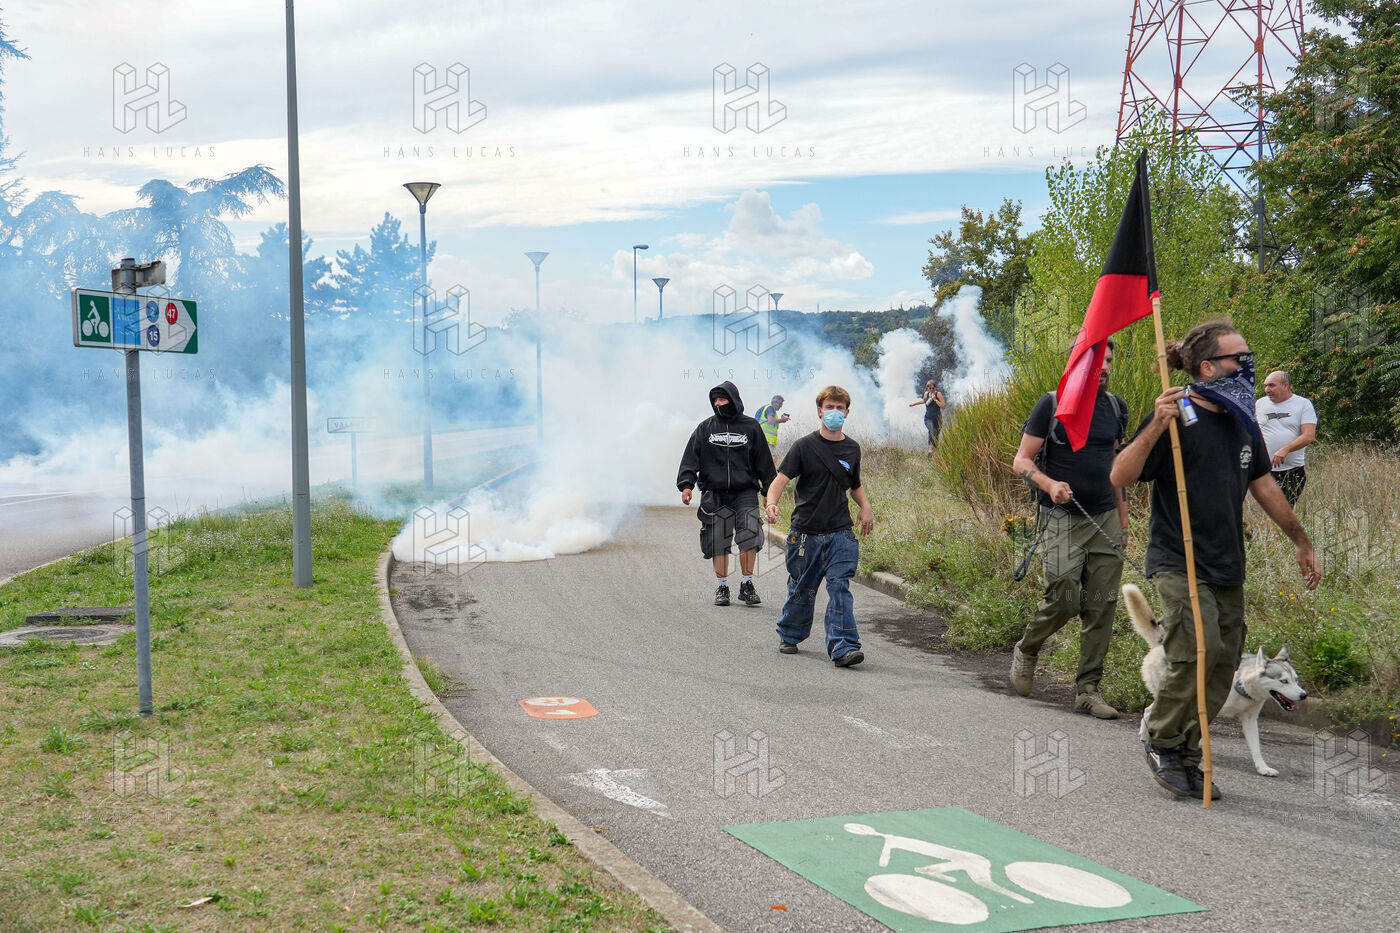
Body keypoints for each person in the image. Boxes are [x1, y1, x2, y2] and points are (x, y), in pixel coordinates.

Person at [1110, 321, 1320, 799]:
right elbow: (1120, 474)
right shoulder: (1175, 414)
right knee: (1196, 649)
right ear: (1208, 368)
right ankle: (1162, 739)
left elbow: (1263, 483)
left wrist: (1300, 539)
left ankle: (1188, 751)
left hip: (1228, 562)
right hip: (1178, 557)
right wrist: (1155, 424)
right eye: (1238, 358)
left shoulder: (1242, 419)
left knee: (1223, 664)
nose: (1248, 365)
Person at [1008, 339, 1129, 720]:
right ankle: (1028, 647)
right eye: (1096, 361)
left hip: (1105, 518)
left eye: (1109, 360)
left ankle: (1088, 690)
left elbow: (1118, 469)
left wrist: (1124, 522)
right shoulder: (1051, 403)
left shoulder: (1116, 407)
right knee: (1064, 596)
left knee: (1102, 603)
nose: (1104, 367)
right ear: (1076, 363)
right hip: (1061, 517)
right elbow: (1021, 461)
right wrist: (1049, 485)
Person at [763, 385, 874, 667]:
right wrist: (771, 503)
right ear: (819, 411)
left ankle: (844, 647)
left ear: (847, 412)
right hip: (805, 534)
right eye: (829, 407)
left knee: (840, 588)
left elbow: (854, 485)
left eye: (839, 408)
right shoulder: (804, 446)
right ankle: (790, 633)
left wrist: (865, 506)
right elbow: (780, 480)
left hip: (840, 533)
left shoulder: (852, 448)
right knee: (803, 589)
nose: (834, 412)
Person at [677, 381, 776, 607]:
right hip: (714, 493)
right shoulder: (705, 428)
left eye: (722, 399)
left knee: (750, 535)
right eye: (715, 400)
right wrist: (686, 485)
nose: (718, 403)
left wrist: (769, 493)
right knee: (718, 541)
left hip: (745, 492)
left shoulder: (751, 427)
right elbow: (690, 458)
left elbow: (764, 462)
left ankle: (747, 584)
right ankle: (722, 587)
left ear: (733, 400)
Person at [1255, 370, 1318, 507]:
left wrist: (1286, 449)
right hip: (1266, 470)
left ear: (1286, 386)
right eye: (1266, 386)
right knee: (1270, 511)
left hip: (1292, 470)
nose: (1267, 390)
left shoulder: (1303, 404)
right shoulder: (1260, 404)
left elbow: (1309, 436)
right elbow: (1254, 432)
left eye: (1271, 385)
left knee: (1285, 510)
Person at [908, 381, 946, 451]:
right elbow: (923, 401)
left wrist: (935, 400)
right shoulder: (926, 394)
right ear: (927, 388)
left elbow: (943, 406)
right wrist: (914, 404)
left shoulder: (938, 394)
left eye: (933, 388)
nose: (931, 389)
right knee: (932, 430)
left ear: (935, 387)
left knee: (936, 435)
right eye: (930, 388)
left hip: (938, 419)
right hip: (928, 418)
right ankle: (930, 449)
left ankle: (934, 453)